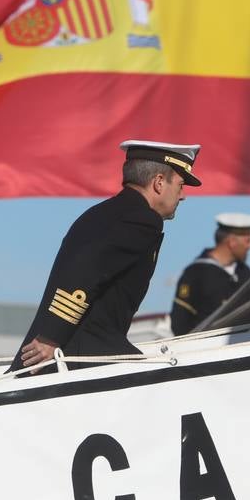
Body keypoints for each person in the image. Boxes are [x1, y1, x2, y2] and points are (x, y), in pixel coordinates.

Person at [13, 140, 200, 373]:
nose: (182, 196)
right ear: (159, 183)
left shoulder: (107, 212)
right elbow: (85, 270)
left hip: (78, 348)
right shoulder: (140, 219)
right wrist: (51, 336)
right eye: (180, 185)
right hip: (82, 354)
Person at [170, 213, 250, 335]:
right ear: (232, 242)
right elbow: (180, 321)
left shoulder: (245, 273)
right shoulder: (195, 273)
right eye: (247, 240)